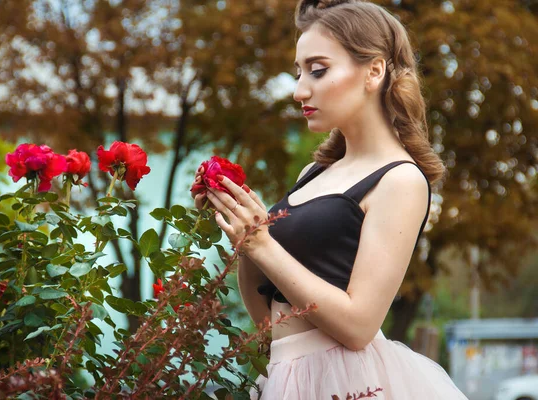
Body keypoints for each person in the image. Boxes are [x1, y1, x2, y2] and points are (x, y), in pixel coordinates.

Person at [191, 0, 469, 398]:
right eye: (298, 72)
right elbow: (263, 318)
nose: (299, 90)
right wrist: (242, 227)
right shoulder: (313, 174)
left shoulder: (401, 179)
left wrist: (262, 243)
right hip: (284, 377)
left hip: (348, 382)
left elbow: (359, 327)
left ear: (374, 71)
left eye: (318, 71)